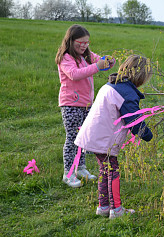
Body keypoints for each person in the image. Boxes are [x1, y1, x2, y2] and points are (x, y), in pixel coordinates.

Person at [74, 55, 153, 219]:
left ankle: (103, 207)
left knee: (105, 171)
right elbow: (134, 120)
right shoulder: (127, 94)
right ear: (140, 77)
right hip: (104, 140)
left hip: (94, 136)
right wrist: (147, 134)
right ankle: (116, 210)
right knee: (112, 171)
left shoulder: (113, 84)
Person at [55, 24, 116, 188]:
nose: (84, 46)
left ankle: (80, 167)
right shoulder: (66, 57)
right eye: (80, 43)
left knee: (83, 137)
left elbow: (99, 61)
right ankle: (68, 174)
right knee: (72, 139)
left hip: (86, 104)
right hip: (71, 104)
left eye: (86, 42)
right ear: (70, 41)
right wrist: (97, 67)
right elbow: (74, 75)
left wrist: (108, 62)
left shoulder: (86, 55)